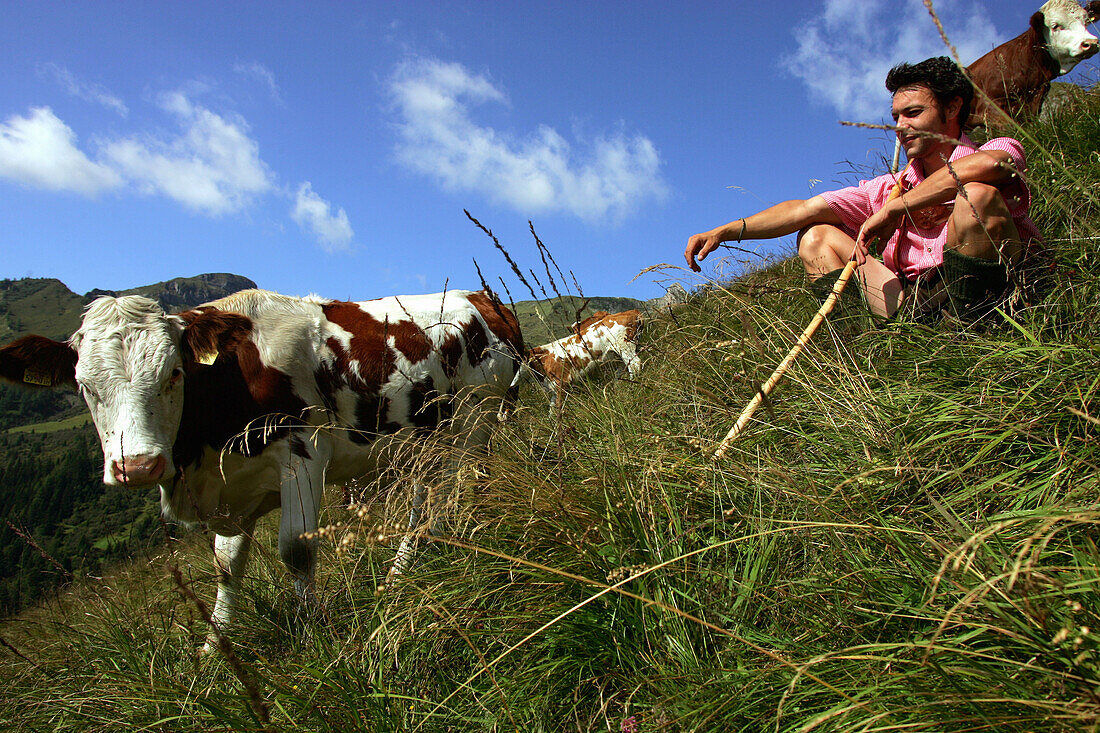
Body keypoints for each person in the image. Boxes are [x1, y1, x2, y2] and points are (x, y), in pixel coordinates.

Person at [685, 56, 1042, 320]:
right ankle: (860, 353)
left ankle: (976, 335)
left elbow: (988, 167)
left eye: (913, 113)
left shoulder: (996, 149)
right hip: (916, 301)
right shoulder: (891, 186)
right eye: (896, 117)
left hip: (995, 290)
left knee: (976, 195)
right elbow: (805, 209)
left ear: (952, 107)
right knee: (815, 235)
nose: (900, 126)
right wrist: (727, 230)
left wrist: (894, 210)